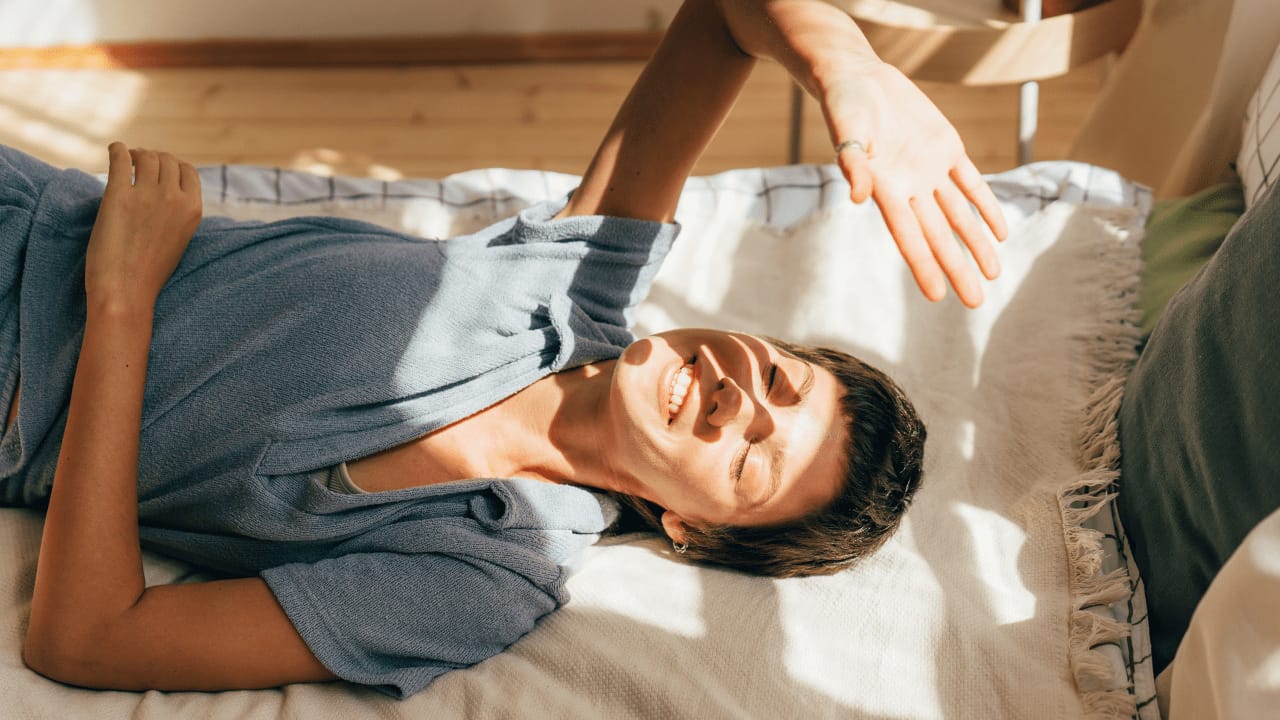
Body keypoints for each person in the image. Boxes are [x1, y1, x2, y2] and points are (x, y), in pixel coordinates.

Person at [2, 0, 1006, 698]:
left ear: (690, 531)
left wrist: (122, 300)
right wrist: (851, 70)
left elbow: (88, 640)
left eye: (750, 458)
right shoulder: (578, 278)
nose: (735, 403)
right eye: (777, 380)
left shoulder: (484, 575)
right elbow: (721, 18)